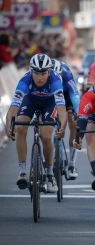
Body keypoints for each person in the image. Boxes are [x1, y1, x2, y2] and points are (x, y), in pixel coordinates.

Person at [6, 53, 67, 193]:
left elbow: (62, 110)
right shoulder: (25, 80)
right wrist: (9, 125)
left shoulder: (55, 80)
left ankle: (50, 174)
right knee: (20, 127)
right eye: (36, 73)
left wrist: (62, 127)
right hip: (31, 101)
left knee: (46, 135)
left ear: (49, 72)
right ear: (31, 71)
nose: (40, 77)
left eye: (43, 73)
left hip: (49, 103)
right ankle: (22, 172)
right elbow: (12, 110)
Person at [51, 59, 80, 180]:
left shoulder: (67, 75)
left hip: (66, 93)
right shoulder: (44, 76)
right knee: (49, 123)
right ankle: (58, 155)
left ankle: (72, 165)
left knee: (73, 122)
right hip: (50, 93)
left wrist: (78, 114)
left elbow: (75, 98)